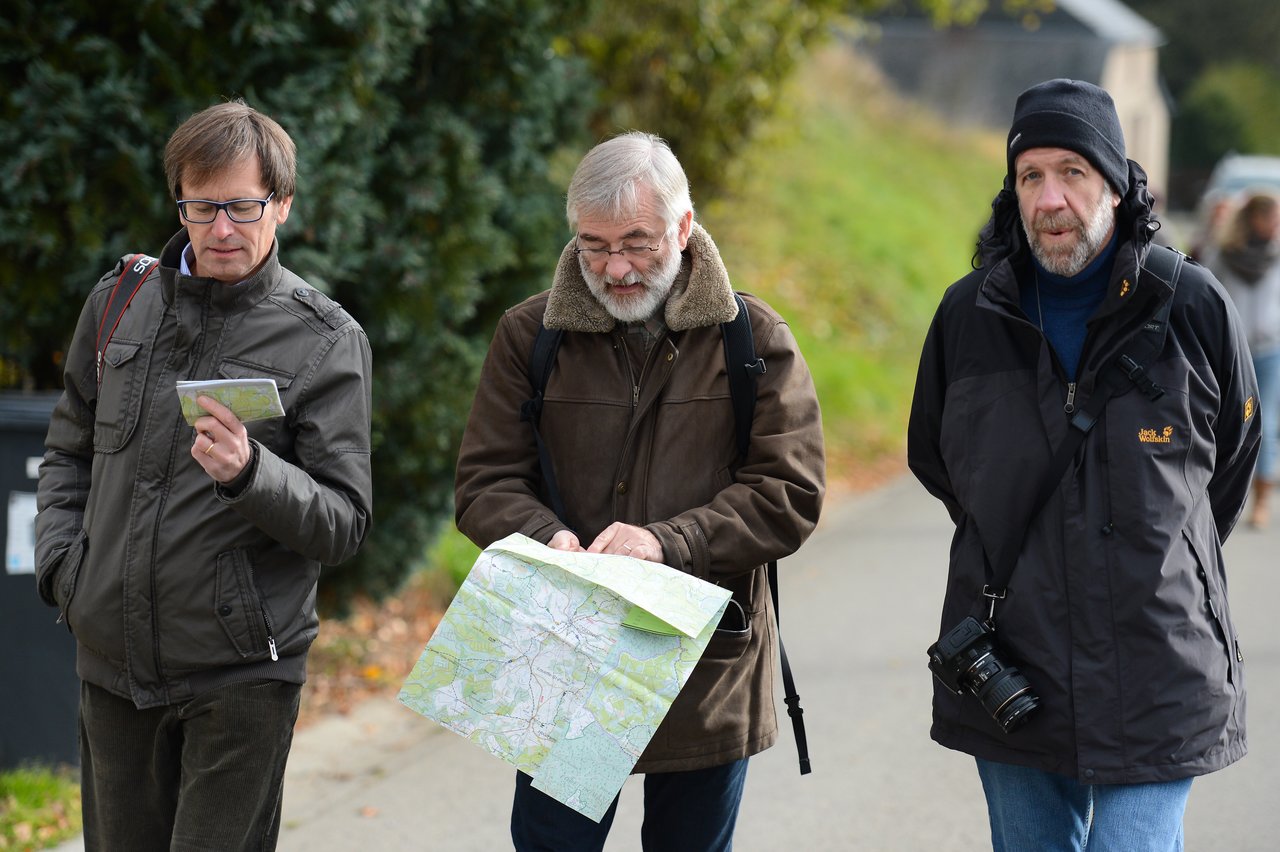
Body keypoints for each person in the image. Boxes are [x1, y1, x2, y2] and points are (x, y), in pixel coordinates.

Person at [908, 79, 1260, 852]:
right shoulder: (967, 318)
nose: (1051, 198)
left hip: (1159, 659)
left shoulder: (1193, 306)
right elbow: (936, 462)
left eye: (1072, 171)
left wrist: (1165, 560)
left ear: (1115, 183)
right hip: (1011, 664)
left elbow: (1229, 467)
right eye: (1030, 176)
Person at [453, 130, 825, 851]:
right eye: (593, 245)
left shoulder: (752, 340)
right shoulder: (530, 337)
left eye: (637, 241)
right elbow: (485, 482)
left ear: (684, 229)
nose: (615, 267)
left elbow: (789, 491)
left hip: (706, 667)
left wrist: (666, 541)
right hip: (571, 664)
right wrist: (549, 541)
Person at [35, 101, 373, 850]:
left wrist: (252, 473)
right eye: (202, 205)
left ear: (281, 205)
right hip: (113, 668)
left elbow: (345, 521)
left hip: (241, 680)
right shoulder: (117, 304)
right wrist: (67, 571)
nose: (222, 228)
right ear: (179, 201)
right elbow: (68, 452)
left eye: (243, 206)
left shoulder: (325, 340)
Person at [1202, 192, 1280, 527]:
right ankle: (1220, 492)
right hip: (1230, 350)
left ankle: (1261, 501)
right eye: (1271, 217)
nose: (1275, 224)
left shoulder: (1277, 253)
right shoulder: (1223, 252)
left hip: (1270, 349)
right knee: (1226, 420)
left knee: (1268, 422)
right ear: (1253, 218)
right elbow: (1205, 290)